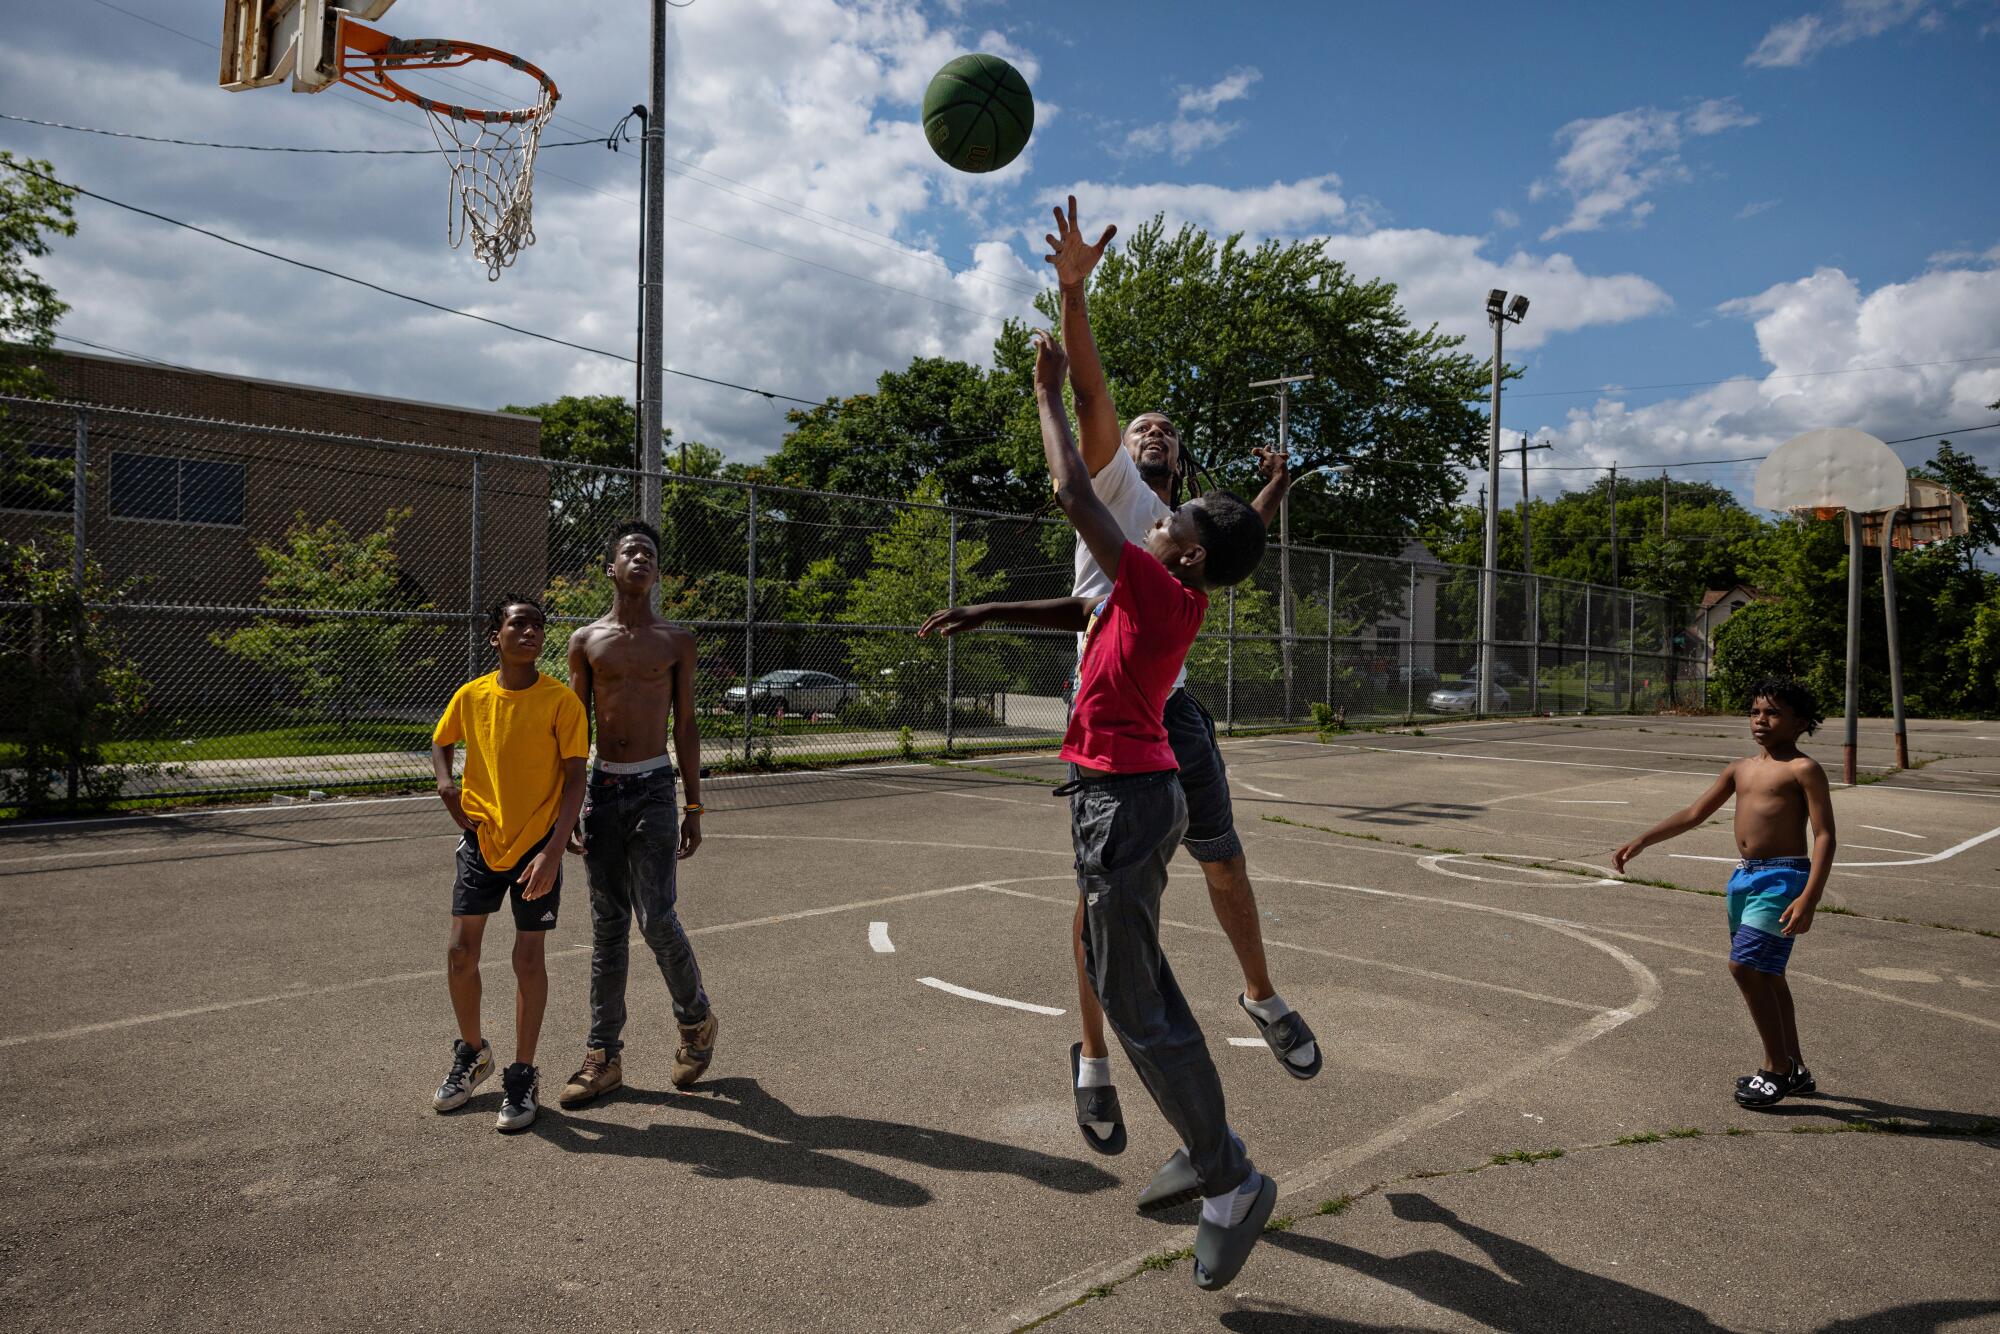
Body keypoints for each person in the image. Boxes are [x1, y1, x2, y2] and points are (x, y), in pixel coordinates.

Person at [923, 329, 1277, 1291]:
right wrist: (986, 613)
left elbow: (1074, 493)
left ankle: (1230, 1177)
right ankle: (1210, 1151)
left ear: (1187, 550)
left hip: (1122, 802)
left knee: (1133, 999)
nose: (1154, 519)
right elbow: (1079, 611)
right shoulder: (1158, 586)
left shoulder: (1161, 588)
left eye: (1170, 519)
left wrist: (1047, 393)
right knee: (1141, 986)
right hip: (1120, 795)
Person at [1041, 197, 1320, 1169]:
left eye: (1162, 425)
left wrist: (1270, 492)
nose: (1147, 429)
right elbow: (1088, 399)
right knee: (1095, 908)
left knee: (1223, 857)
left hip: (1168, 713)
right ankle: (1091, 1054)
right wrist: (1073, 293)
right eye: (1141, 422)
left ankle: (1259, 991)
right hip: (1107, 719)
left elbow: (1234, 531)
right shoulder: (1118, 490)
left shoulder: (1184, 534)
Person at [1612, 679, 1836, 1108]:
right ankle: (1797, 1067)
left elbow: (1825, 835)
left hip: (1783, 879)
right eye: (1755, 712)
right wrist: (1643, 840)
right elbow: (1695, 813)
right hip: (1744, 880)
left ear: (1800, 722)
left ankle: (1776, 1069)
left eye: (1772, 713)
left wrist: (1810, 896)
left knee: (1743, 967)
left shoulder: (1803, 770)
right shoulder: (1740, 769)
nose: (1760, 720)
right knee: (1769, 974)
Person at [557, 520, 716, 1108]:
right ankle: (603, 1057)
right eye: (630, 551)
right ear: (611, 567)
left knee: (658, 918)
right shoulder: (585, 641)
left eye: (649, 552)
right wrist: (568, 804)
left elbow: (687, 725)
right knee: (607, 930)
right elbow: (575, 730)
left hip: (653, 786)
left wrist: (692, 803)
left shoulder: (677, 640)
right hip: (602, 788)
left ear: (657, 571)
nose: (640, 558)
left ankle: (695, 1024)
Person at [429, 597, 588, 1133]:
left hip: (536, 847)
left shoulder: (561, 701)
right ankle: (473, 1054)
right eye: (518, 623)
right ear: (494, 635)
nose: (530, 632)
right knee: (459, 952)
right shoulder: (472, 695)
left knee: (527, 958)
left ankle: (521, 1074)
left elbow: (575, 781)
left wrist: (552, 850)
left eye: (538, 626)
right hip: (481, 841)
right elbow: (441, 741)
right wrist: (447, 784)